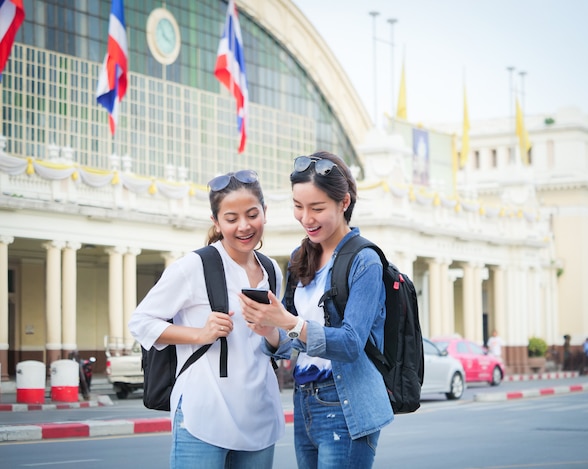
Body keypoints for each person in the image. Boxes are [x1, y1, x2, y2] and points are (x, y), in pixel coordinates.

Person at [240, 151, 393, 469]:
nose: (306, 218)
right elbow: (289, 343)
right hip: (304, 398)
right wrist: (269, 328)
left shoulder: (364, 260)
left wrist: (289, 322)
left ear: (344, 203)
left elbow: (350, 344)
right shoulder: (300, 257)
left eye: (317, 208)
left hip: (345, 400)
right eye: (298, 206)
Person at [128, 170, 284, 469]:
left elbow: (280, 344)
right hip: (203, 414)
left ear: (265, 212)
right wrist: (200, 334)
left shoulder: (271, 270)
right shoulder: (193, 266)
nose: (244, 226)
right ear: (216, 222)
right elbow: (141, 322)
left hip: (260, 415)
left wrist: (271, 332)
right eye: (231, 218)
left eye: (252, 214)